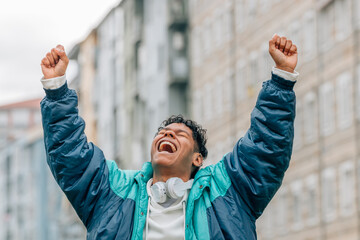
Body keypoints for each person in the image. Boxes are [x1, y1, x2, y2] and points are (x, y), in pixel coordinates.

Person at [39, 34, 298, 240]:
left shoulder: (229, 192)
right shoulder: (110, 193)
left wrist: (282, 79)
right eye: (162, 132)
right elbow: (71, 156)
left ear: (198, 159)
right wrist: (56, 91)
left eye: (179, 134)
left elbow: (266, 149)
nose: (167, 134)